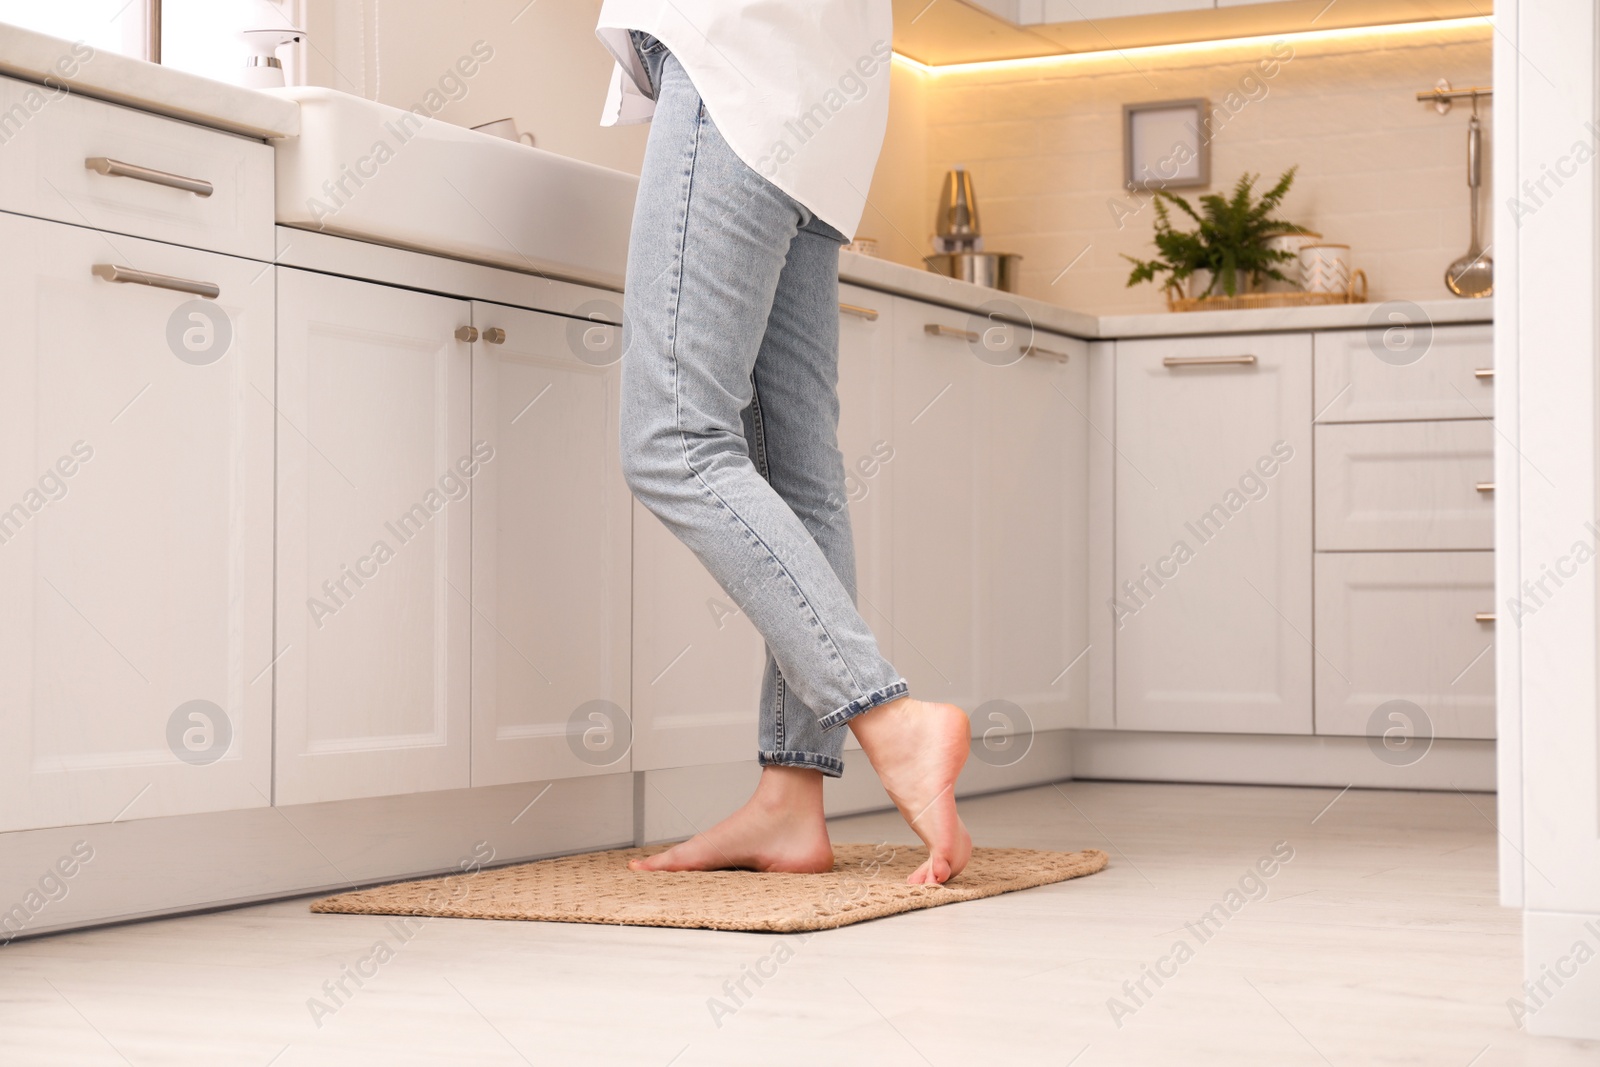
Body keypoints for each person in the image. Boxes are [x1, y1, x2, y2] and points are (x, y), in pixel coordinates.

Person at [595, 1, 971, 886]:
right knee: (802, 473)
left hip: (737, 68)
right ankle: (791, 799)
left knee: (673, 439)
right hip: (819, 113)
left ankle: (888, 713)